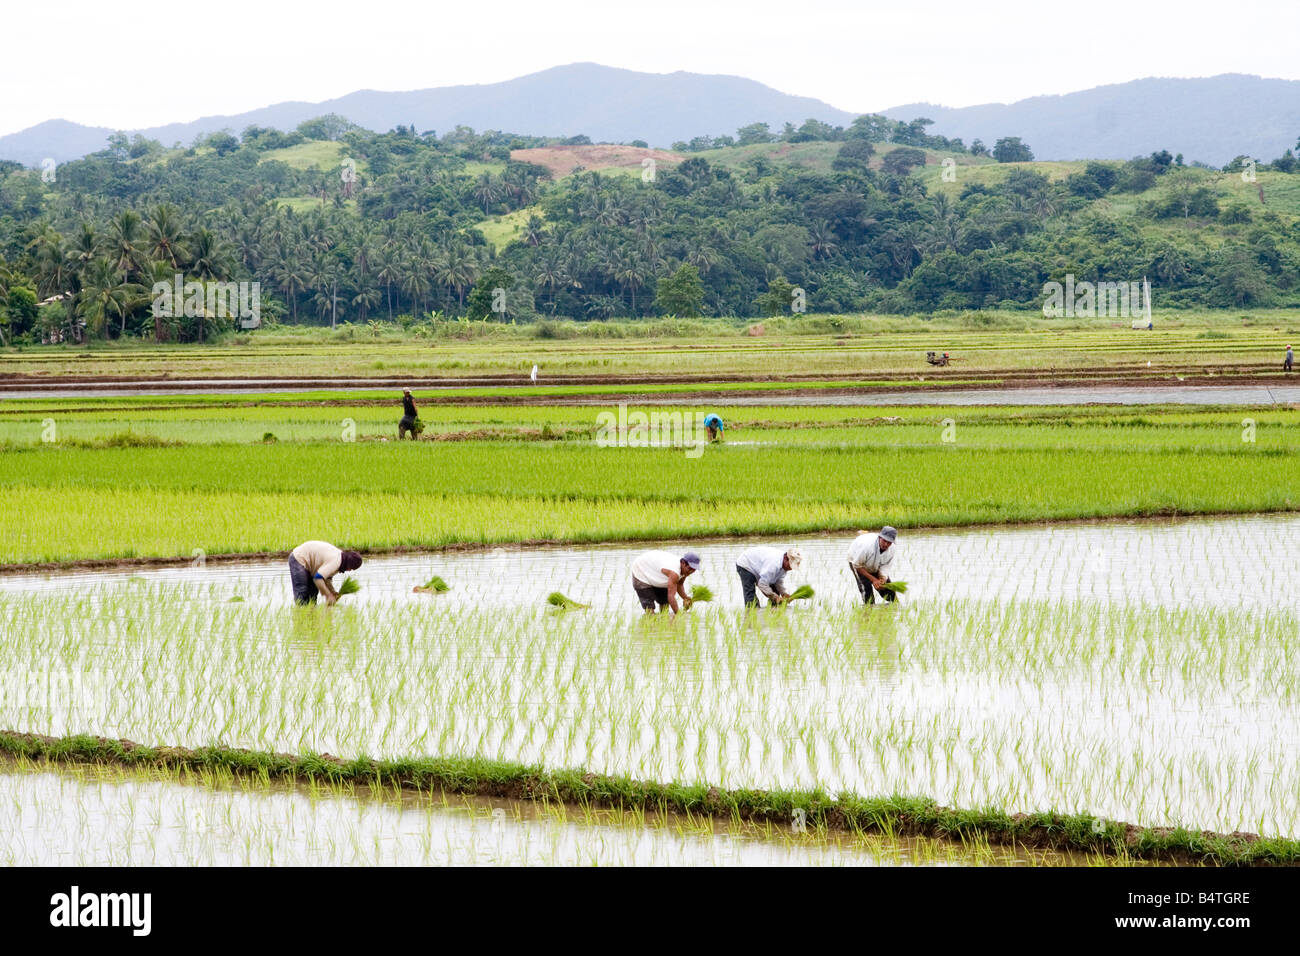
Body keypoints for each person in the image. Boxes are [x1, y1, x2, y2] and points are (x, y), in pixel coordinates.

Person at [289, 540, 362, 606]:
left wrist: (332, 591)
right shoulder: (336, 561)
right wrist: (328, 595)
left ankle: (311, 618)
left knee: (313, 595)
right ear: (348, 564)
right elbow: (317, 578)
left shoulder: (340, 560)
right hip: (299, 558)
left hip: (311, 565)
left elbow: (326, 578)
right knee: (302, 594)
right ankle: (299, 616)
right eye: (351, 568)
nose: (349, 570)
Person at [630, 549, 700, 614]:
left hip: (656, 572)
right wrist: (678, 615)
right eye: (690, 568)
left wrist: (685, 598)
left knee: (665, 604)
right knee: (649, 608)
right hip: (640, 571)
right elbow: (671, 596)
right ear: (683, 563)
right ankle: (650, 624)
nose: (691, 571)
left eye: (694, 569)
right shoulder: (674, 572)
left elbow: (679, 584)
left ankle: (663, 623)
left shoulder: (684, 571)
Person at [735, 546, 802, 608]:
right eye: (790, 565)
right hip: (746, 564)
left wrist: (784, 593)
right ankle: (751, 613)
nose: (791, 569)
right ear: (786, 559)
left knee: (776, 591)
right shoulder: (773, 565)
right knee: (751, 597)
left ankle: (772, 611)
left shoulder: (784, 566)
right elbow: (762, 584)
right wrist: (774, 597)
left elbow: (779, 581)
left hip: (760, 567)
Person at [848, 527, 897, 605]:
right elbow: (857, 565)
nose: (886, 544)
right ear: (879, 537)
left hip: (875, 564)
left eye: (889, 542)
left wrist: (882, 578)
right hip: (857, 562)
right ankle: (868, 613)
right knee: (868, 594)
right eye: (884, 541)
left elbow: (886, 565)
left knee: (891, 595)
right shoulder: (867, 547)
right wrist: (873, 580)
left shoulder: (892, 548)